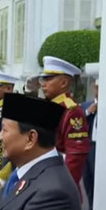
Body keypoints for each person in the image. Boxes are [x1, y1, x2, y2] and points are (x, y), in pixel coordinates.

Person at [39, 56, 90, 198]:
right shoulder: (48, 107)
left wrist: (62, 188)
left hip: (58, 185)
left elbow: (75, 157)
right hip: (41, 178)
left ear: (64, 82)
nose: (44, 84)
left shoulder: (71, 111)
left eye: (49, 79)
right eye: (43, 79)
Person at [81, 78, 99, 210]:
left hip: (101, 147)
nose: (99, 90)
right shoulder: (87, 106)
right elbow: (77, 121)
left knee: (97, 181)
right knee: (87, 179)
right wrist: (88, 112)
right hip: (87, 146)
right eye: (97, 87)